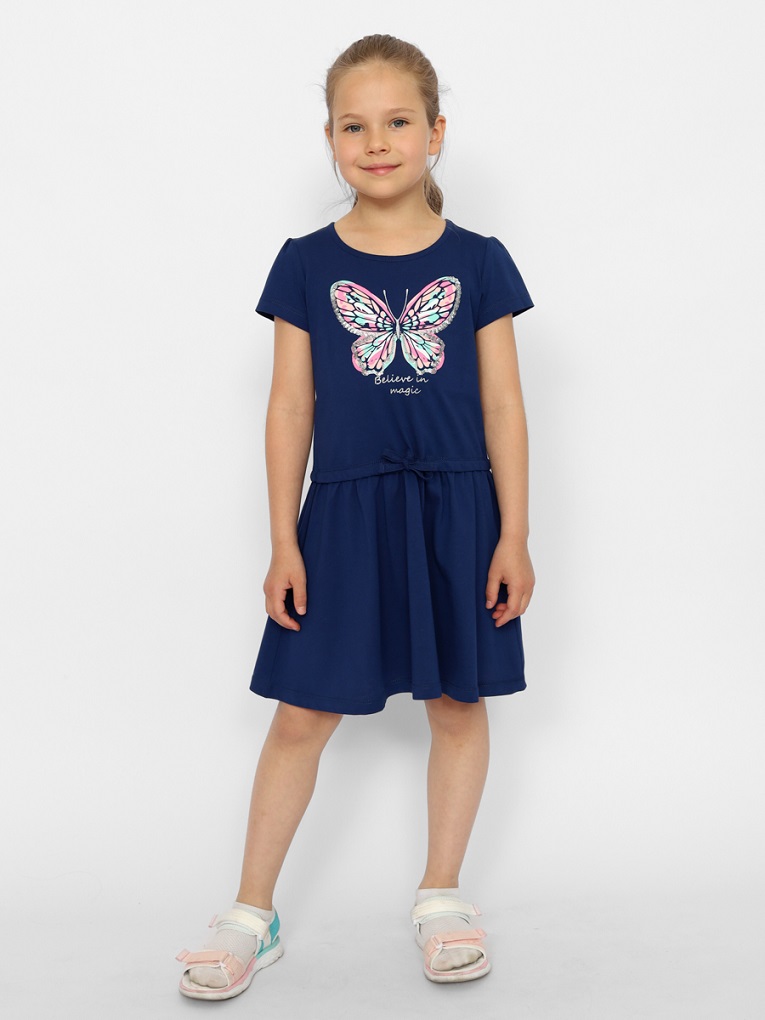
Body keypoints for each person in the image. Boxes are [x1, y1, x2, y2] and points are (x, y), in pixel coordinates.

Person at [175, 32, 536, 999]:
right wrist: (282, 540)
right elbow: (289, 405)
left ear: (435, 133)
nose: (376, 142)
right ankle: (250, 913)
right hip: (343, 512)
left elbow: (504, 405)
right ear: (330, 139)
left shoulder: (479, 261)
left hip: (458, 510)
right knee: (302, 714)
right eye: (352, 125)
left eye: (397, 121)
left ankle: (441, 895)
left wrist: (512, 534)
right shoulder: (303, 264)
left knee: (457, 702)